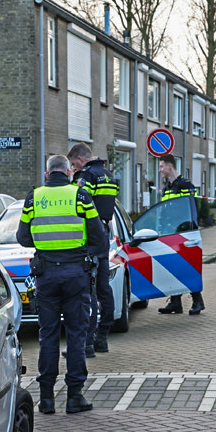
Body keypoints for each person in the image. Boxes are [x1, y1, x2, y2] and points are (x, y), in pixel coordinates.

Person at [18, 155, 100, 415]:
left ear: (47, 174)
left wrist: (46, 245)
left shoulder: (34, 198)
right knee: (76, 333)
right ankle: (75, 397)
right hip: (76, 274)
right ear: (68, 172)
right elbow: (99, 236)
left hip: (46, 276)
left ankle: (47, 399)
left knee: (48, 335)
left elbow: (22, 237)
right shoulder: (81, 196)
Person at [69, 142, 119, 355]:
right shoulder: (108, 174)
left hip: (88, 237)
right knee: (104, 290)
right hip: (103, 237)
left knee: (88, 292)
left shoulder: (87, 176)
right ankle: (103, 337)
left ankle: (87, 343)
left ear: (80, 159)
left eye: (73, 164)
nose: (73, 167)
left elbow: (80, 203)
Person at [153, 156, 205, 316]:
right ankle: (176, 302)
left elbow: (192, 209)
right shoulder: (167, 186)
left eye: (162, 166)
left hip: (183, 233)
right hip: (169, 233)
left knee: (188, 267)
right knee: (173, 266)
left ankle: (197, 301)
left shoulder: (185, 185)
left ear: (170, 166)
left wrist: (189, 229)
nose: (160, 169)